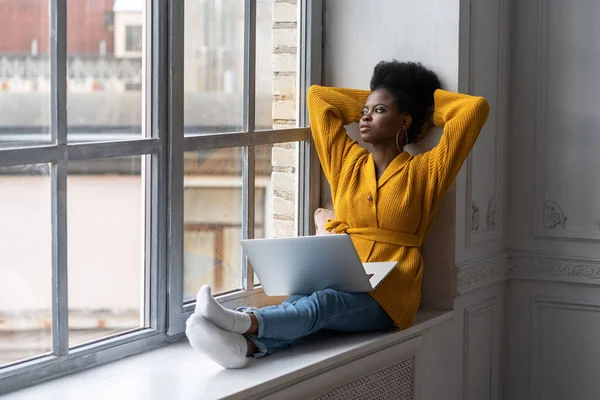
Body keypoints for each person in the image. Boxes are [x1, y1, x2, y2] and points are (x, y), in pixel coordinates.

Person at [185, 60, 490, 368]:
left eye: (379, 111)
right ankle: (243, 348)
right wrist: (378, 99)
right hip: (336, 276)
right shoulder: (346, 162)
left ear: (404, 122)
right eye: (363, 111)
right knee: (300, 303)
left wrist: (421, 108)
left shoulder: (426, 172)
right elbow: (319, 99)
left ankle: (242, 321)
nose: (366, 117)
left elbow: (473, 110)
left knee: (322, 304)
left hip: (387, 295)